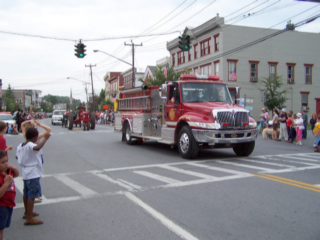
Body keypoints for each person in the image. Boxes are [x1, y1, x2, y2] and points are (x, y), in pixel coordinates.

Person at [16, 128, 51, 225]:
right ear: (35, 137)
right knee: (32, 195)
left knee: (26, 193)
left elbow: (17, 156)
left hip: (25, 171)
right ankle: (29, 218)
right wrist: (45, 139)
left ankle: (27, 212)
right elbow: (37, 148)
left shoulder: (20, 145)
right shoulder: (31, 144)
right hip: (32, 172)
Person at [22, 119, 51, 203]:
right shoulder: (36, 137)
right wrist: (40, 124)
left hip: (29, 158)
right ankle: (36, 195)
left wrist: (28, 121)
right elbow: (48, 130)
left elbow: (22, 125)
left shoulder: (26, 136)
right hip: (37, 158)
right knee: (36, 176)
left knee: (31, 177)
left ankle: (32, 193)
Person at [0, 150, 19, 240]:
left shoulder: (7, 171)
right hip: (1, 206)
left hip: (9, 204)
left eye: (7, 161)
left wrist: (13, 167)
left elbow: (16, 174)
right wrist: (6, 183)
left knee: (2, 228)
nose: (6, 164)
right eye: (3, 162)